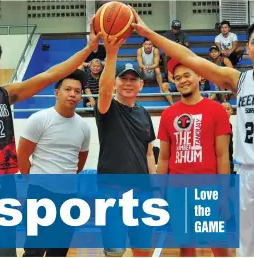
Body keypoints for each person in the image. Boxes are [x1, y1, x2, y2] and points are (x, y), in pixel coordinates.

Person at [131, 14, 254, 257]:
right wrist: (149, 34)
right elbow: (188, 57)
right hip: (245, 175)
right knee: (248, 251)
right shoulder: (239, 80)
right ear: (248, 48)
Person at [0, 22, 101, 257]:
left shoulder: (5, 95)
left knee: (3, 251)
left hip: (4, 185)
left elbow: (50, 75)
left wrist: (88, 49)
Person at [156, 58, 231, 257]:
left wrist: (224, 194)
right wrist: (158, 193)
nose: (182, 81)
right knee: (185, 247)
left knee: (219, 246)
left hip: (208, 188)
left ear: (199, 75)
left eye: (187, 75)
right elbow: (163, 158)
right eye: (177, 78)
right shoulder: (168, 115)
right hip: (177, 190)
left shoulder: (216, 110)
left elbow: (223, 156)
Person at [17, 69, 91, 257]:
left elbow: (80, 161)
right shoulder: (39, 119)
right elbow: (22, 156)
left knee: (59, 251)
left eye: (77, 91)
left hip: (68, 196)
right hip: (40, 193)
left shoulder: (84, 126)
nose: (73, 94)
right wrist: (34, 181)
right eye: (68, 89)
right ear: (57, 93)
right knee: (34, 250)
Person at [94, 35, 156, 257]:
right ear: (115, 83)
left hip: (141, 191)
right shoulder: (107, 108)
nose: (128, 83)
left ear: (141, 84)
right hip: (111, 191)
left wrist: (155, 187)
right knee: (115, 251)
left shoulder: (144, 114)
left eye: (133, 79)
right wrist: (111, 54)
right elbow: (103, 91)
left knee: (143, 250)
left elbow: (149, 153)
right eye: (123, 79)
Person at [221, 102, 234, 174]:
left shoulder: (230, 125)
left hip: (229, 159)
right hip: (222, 162)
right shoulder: (216, 125)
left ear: (232, 111)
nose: (225, 111)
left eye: (228, 109)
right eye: (223, 109)